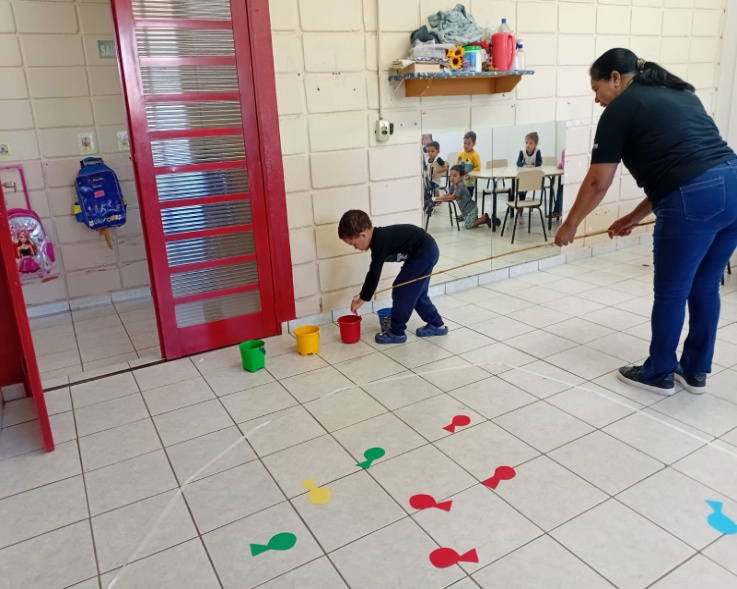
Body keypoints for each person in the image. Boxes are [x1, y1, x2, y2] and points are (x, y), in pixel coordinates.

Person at [555, 48, 737, 396]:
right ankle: (695, 371)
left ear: (615, 78)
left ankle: (659, 373)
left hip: (694, 197)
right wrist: (633, 217)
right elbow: (683, 167)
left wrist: (570, 224)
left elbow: (597, 183)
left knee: (671, 292)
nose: (597, 99)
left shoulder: (619, 109)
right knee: (705, 286)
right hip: (733, 185)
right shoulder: (681, 93)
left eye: (596, 89)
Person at [339, 210, 448, 344]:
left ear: (362, 235)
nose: (355, 248)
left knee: (401, 289)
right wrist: (364, 295)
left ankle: (397, 332)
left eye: (353, 244)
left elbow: (374, 274)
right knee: (418, 293)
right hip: (428, 251)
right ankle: (437, 324)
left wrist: (362, 298)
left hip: (424, 253)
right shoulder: (380, 238)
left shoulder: (379, 241)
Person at [457, 131, 481, 198]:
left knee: (467, 199)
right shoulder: (460, 154)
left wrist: (470, 173)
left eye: (468, 144)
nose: (466, 145)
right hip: (460, 182)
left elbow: (478, 167)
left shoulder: (475, 155)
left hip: (469, 183)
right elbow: (457, 166)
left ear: (474, 143)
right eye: (464, 143)